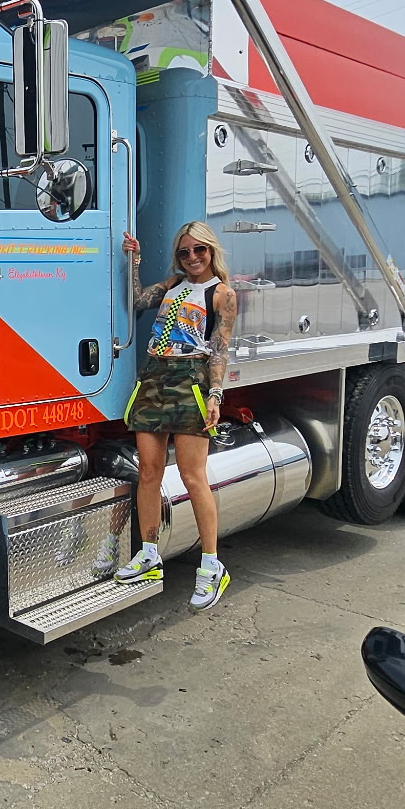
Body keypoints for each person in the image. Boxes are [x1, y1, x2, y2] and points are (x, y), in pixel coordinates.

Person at [114, 220, 238, 611]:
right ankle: (149, 554)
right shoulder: (171, 286)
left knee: (191, 475)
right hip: (154, 375)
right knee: (148, 471)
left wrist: (216, 394)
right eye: (185, 252)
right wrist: (134, 260)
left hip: (191, 379)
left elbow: (220, 348)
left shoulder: (222, 294)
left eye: (199, 250)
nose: (192, 258)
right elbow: (137, 301)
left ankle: (212, 566)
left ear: (211, 251)